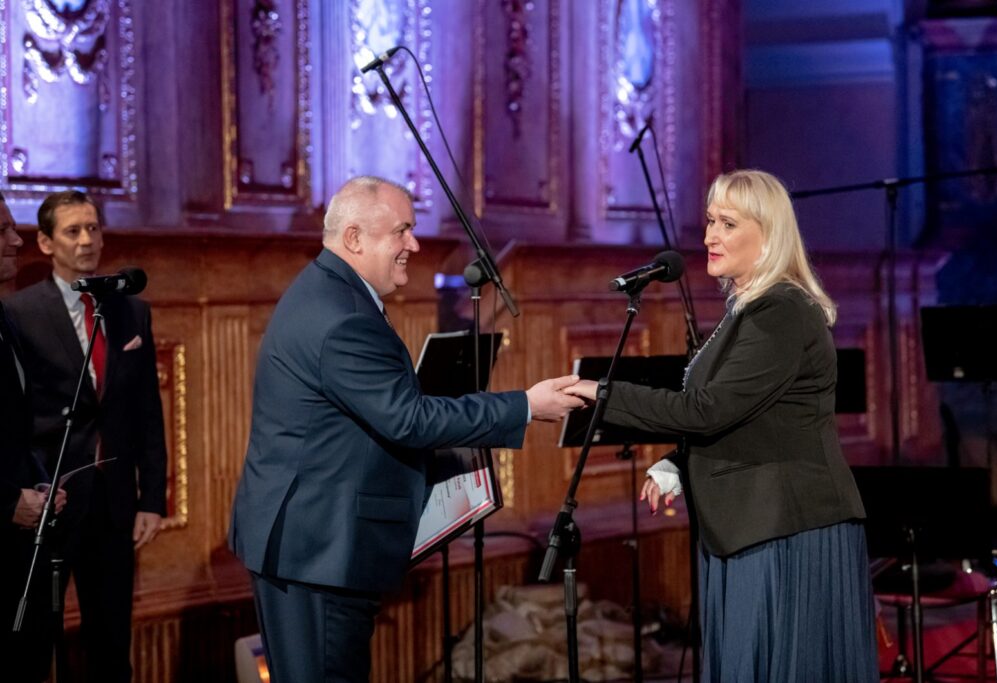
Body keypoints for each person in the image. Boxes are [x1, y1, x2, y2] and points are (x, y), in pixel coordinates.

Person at [229, 175, 583, 683]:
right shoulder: (340, 316)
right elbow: (408, 418)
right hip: (315, 549)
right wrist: (525, 405)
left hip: (310, 544)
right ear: (355, 238)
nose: (414, 245)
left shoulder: (332, 293)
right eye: (402, 231)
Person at [565, 170, 878, 682]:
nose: (710, 236)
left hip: (784, 529)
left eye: (728, 223)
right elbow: (747, 418)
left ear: (769, 236)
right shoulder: (747, 311)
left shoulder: (781, 311)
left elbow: (709, 410)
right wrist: (678, 462)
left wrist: (601, 392)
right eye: (710, 221)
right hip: (748, 527)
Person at [4, 190, 167, 683]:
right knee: (37, 640)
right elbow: (17, 414)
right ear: (46, 242)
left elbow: (147, 413)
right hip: (51, 500)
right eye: (73, 231)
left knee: (112, 644)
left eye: (93, 228)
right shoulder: (20, 312)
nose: (87, 240)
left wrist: (152, 498)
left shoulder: (130, 311)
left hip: (116, 503)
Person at [0, 194, 67, 682]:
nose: (16, 239)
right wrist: (6, 502)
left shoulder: (4, 316)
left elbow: (14, 429)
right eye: (3, 230)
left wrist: (39, 483)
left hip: (20, 552)